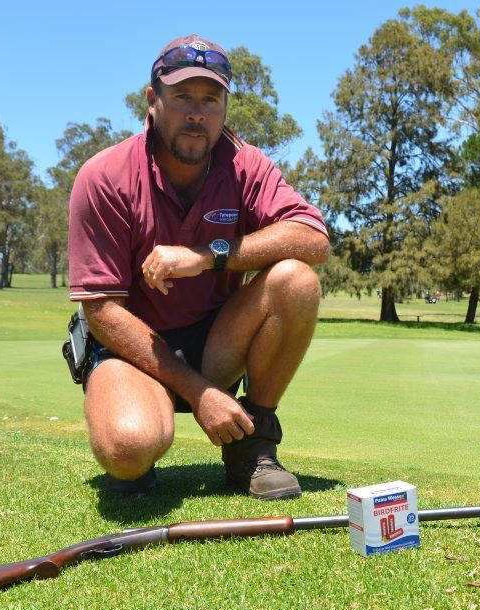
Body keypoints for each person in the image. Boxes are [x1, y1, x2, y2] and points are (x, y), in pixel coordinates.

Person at [67, 35, 329, 501]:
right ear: (153, 100)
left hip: (216, 341)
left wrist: (207, 256)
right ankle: (142, 444)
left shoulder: (245, 164)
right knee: (127, 449)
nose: (197, 112)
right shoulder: (104, 176)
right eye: (183, 96)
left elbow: (313, 238)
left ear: (224, 107)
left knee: (296, 279)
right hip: (133, 349)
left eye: (210, 99)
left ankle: (253, 442)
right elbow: (101, 310)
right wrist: (200, 393)